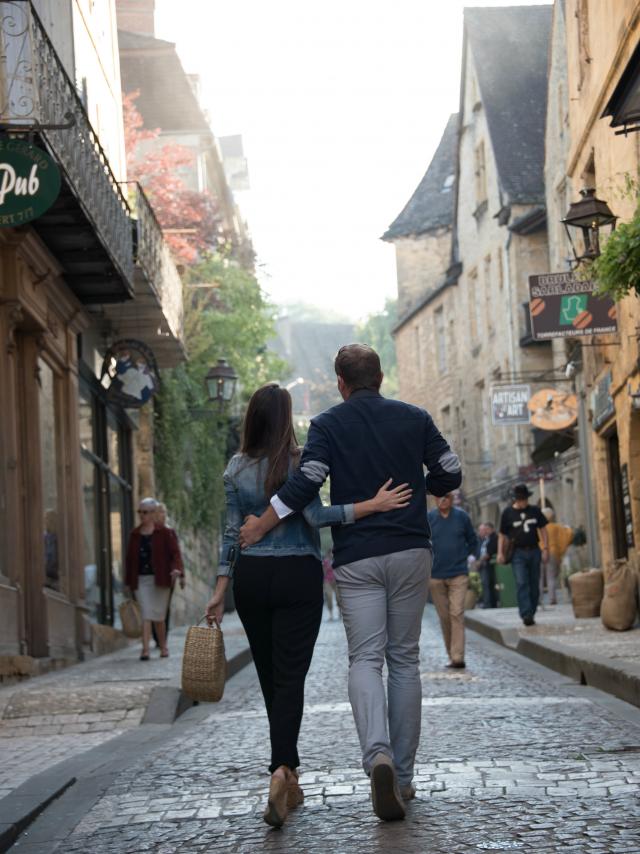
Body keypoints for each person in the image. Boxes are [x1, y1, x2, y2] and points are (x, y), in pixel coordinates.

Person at [237, 344, 461, 822]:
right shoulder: (416, 417)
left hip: (358, 556)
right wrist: (428, 487)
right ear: (380, 377)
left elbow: (305, 485)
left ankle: (375, 755)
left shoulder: (328, 425)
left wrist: (260, 522)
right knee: (405, 658)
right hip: (411, 550)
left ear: (340, 382)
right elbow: (451, 472)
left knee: (365, 658)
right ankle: (401, 776)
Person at [205, 383, 411, 829]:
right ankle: (282, 770)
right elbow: (317, 518)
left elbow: (230, 534)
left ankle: (287, 772)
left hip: (252, 580)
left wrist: (220, 590)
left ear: (251, 419)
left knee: (270, 678)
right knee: (291, 677)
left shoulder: (235, 467)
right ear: (286, 419)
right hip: (299, 575)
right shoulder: (297, 463)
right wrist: (371, 505)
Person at [125, 497, 184, 659]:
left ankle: (163, 647)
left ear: (152, 514)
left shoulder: (165, 533)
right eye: (140, 512)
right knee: (146, 614)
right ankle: (145, 650)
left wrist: (177, 571)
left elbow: (175, 555)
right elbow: (129, 560)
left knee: (158, 617)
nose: (141, 515)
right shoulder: (135, 534)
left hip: (161, 580)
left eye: (144, 512)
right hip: (141, 581)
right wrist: (128, 582)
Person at [428, 493, 479, 669]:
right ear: (435, 500)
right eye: (440, 497)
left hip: (458, 572)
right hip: (435, 575)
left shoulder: (462, 517)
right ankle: (451, 654)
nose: (443, 500)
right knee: (444, 616)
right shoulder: (429, 519)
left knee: (456, 613)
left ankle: (458, 657)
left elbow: (473, 540)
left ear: (451, 499)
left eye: (446, 497)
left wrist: (472, 557)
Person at [497, 484, 549, 626]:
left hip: (534, 550)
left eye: (525, 499)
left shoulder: (535, 511)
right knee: (521, 582)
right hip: (517, 553)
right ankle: (526, 613)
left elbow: (543, 529)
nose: (523, 502)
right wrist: (500, 553)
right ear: (515, 499)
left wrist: (545, 548)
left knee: (533, 582)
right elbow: (501, 535)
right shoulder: (507, 513)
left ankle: (531, 611)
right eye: (520, 499)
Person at [152, 502, 185, 645]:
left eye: (164, 512)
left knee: (164, 607)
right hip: (151, 576)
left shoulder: (169, 532)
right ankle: (156, 636)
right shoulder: (149, 533)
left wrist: (181, 575)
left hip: (167, 576)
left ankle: (162, 638)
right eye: (160, 512)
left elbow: (177, 554)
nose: (163, 514)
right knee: (153, 608)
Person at [539, 508, 573, 605]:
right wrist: (568, 527)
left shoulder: (538, 528)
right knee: (551, 577)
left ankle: (539, 599)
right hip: (552, 552)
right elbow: (568, 534)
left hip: (539, 552)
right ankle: (552, 599)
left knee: (539, 578)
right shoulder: (555, 527)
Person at [477, 522, 499, 609]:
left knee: (487, 584)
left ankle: (488, 604)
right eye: (484, 530)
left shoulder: (494, 538)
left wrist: (480, 561)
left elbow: (489, 552)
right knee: (487, 584)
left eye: (487, 529)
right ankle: (488, 603)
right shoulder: (486, 538)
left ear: (492, 529)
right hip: (485, 564)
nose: (485, 531)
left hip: (489, 564)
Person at [322, 549, 339, 620]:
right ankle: (331, 614)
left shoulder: (337, 559)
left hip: (336, 580)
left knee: (339, 597)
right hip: (327, 581)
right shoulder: (325, 561)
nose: (331, 554)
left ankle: (340, 612)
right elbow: (323, 571)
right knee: (329, 596)